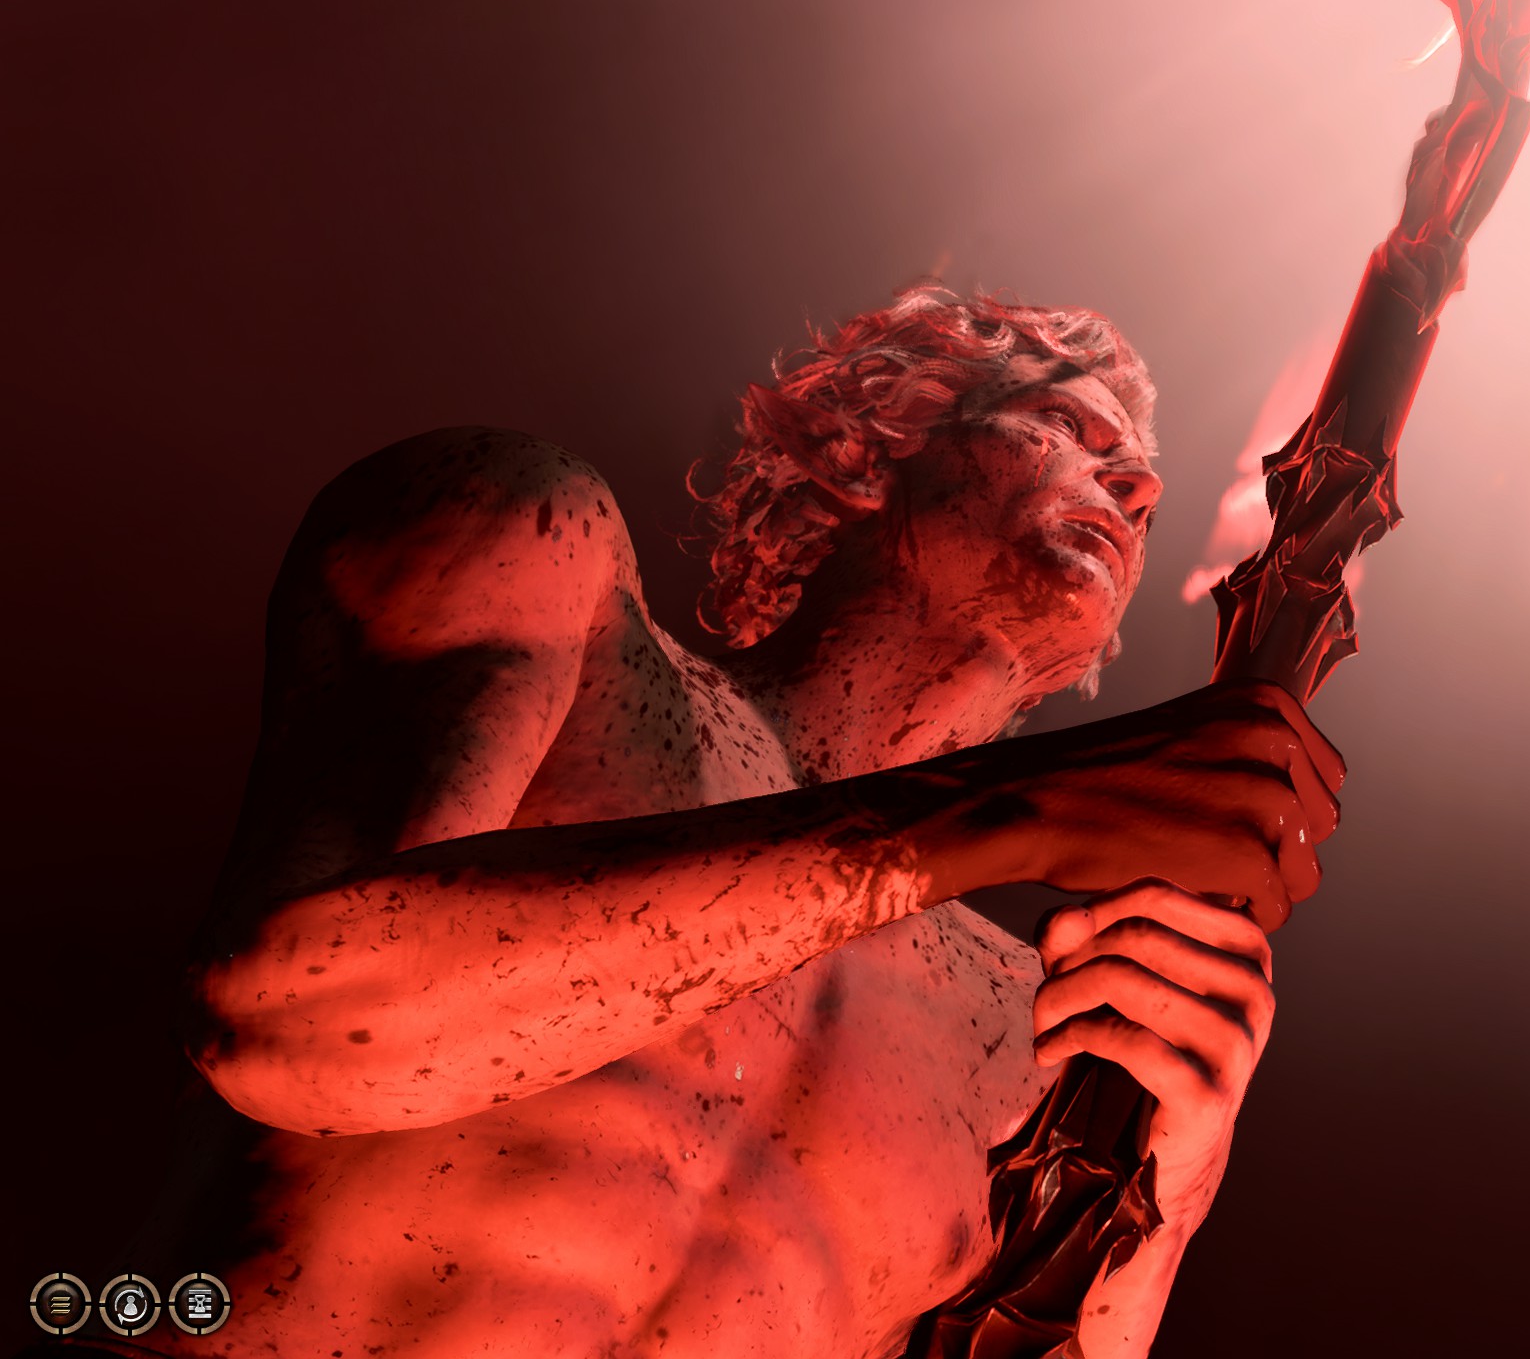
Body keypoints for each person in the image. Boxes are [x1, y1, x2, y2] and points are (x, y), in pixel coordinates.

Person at [162, 284, 1344, 1358]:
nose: (1133, 488)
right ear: (871, 446)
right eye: (1066, 425)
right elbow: (289, 1020)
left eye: (1138, 481)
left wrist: (1163, 1221)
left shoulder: (1034, 1025)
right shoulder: (541, 551)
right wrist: (999, 815)